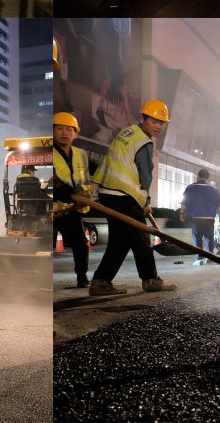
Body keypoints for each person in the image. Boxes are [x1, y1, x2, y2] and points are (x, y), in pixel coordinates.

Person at [88, 99, 176, 295]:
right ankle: (151, 280)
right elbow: (145, 174)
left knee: (120, 241)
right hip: (124, 195)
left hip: (108, 193)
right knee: (141, 236)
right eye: (154, 121)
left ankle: (100, 282)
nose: (159, 126)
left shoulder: (127, 133)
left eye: (162, 123)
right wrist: (146, 202)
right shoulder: (144, 142)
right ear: (143, 118)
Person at [51, 112, 93, 288]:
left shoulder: (81, 154)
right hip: (53, 210)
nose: (64, 133)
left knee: (80, 245)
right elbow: (53, 180)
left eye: (69, 129)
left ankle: (82, 277)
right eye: (59, 128)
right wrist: (66, 192)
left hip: (73, 210)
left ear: (75, 133)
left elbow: (99, 172)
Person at [180, 168, 220, 266]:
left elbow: (183, 202)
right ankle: (210, 258)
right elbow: (219, 204)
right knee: (209, 238)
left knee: (197, 238)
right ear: (208, 178)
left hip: (195, 218)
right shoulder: (214, 189)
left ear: (198, 177)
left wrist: (182, 214)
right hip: (209, 218)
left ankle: (199, 259)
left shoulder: (190, 187)